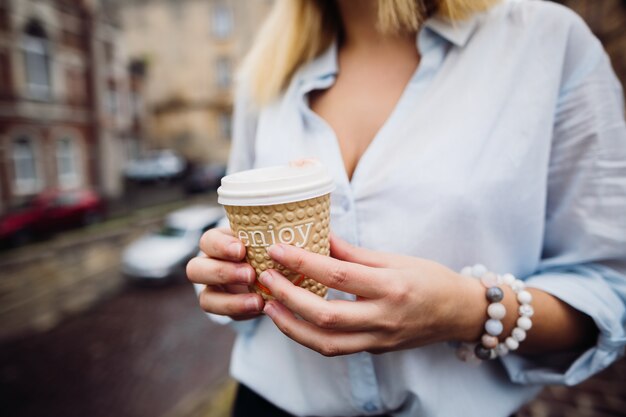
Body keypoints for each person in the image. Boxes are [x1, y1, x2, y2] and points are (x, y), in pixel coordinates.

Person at [186, 0, 626, 416]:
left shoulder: (546, 41)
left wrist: (469, 311)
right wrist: (225, 274)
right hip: (266, 404)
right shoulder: (264, 75)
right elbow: (236, 229)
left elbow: (608, 289)